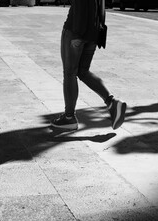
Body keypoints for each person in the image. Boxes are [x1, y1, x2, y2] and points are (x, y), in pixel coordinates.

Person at [51, 0, 126, 130]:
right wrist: (99, 28)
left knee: (70, 72)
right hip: (93, 31)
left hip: (76, 31)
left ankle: (69, 118)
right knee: (83, 71)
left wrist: (77, 33)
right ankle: (112, 103)